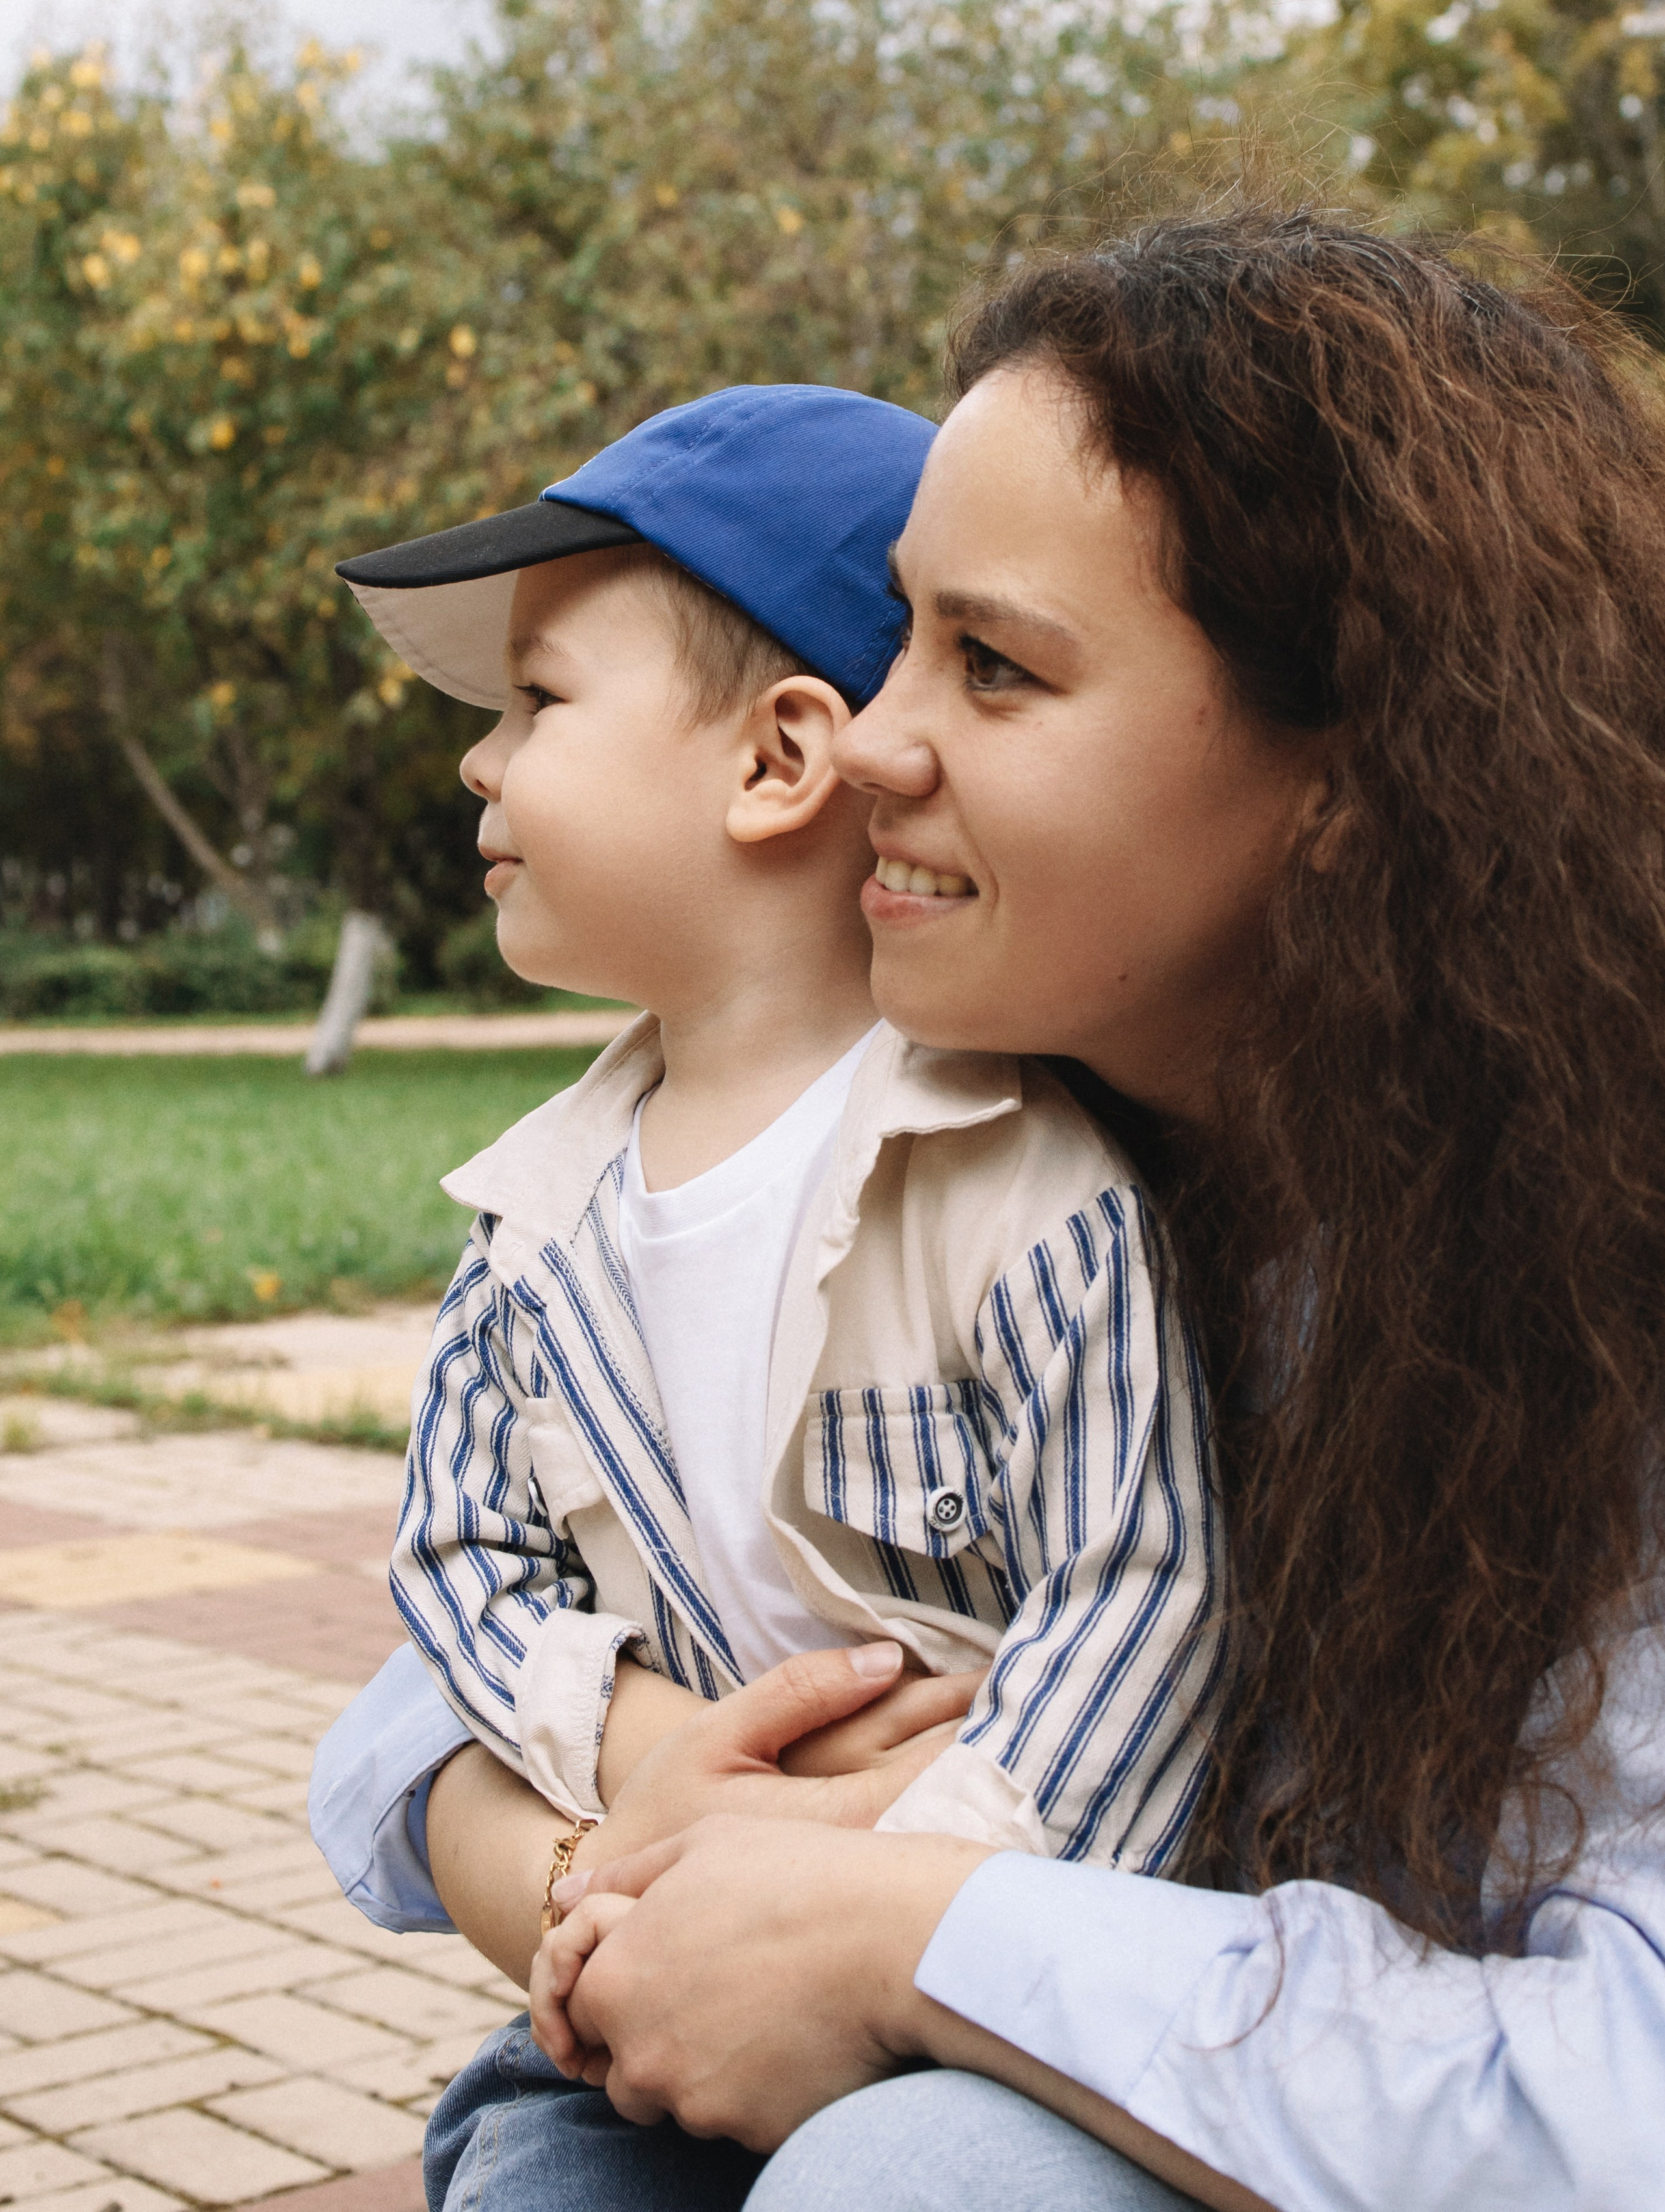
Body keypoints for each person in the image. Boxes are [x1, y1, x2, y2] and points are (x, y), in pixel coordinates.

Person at [481, 207, 1665, 2210]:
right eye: (898, 635)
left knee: (925, 2172)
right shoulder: (966, 1163)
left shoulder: (1595, 1262)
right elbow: (422, 1688)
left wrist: (910, 1930)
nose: (872, 736)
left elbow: (1628, 2088)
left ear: (1349, 776)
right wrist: (630, 1833)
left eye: (996, 666)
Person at [315, 382, 1227, 2208]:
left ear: (776, 760)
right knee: (528, 2166)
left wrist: (888, 1903)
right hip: (655, 1953)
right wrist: (639, 1769)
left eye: (539, 702)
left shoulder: (1018, 1193)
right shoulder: (533, 1228)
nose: (482, 765)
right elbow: (461, 1557)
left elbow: (1142, 1596)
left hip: (999, 1976)